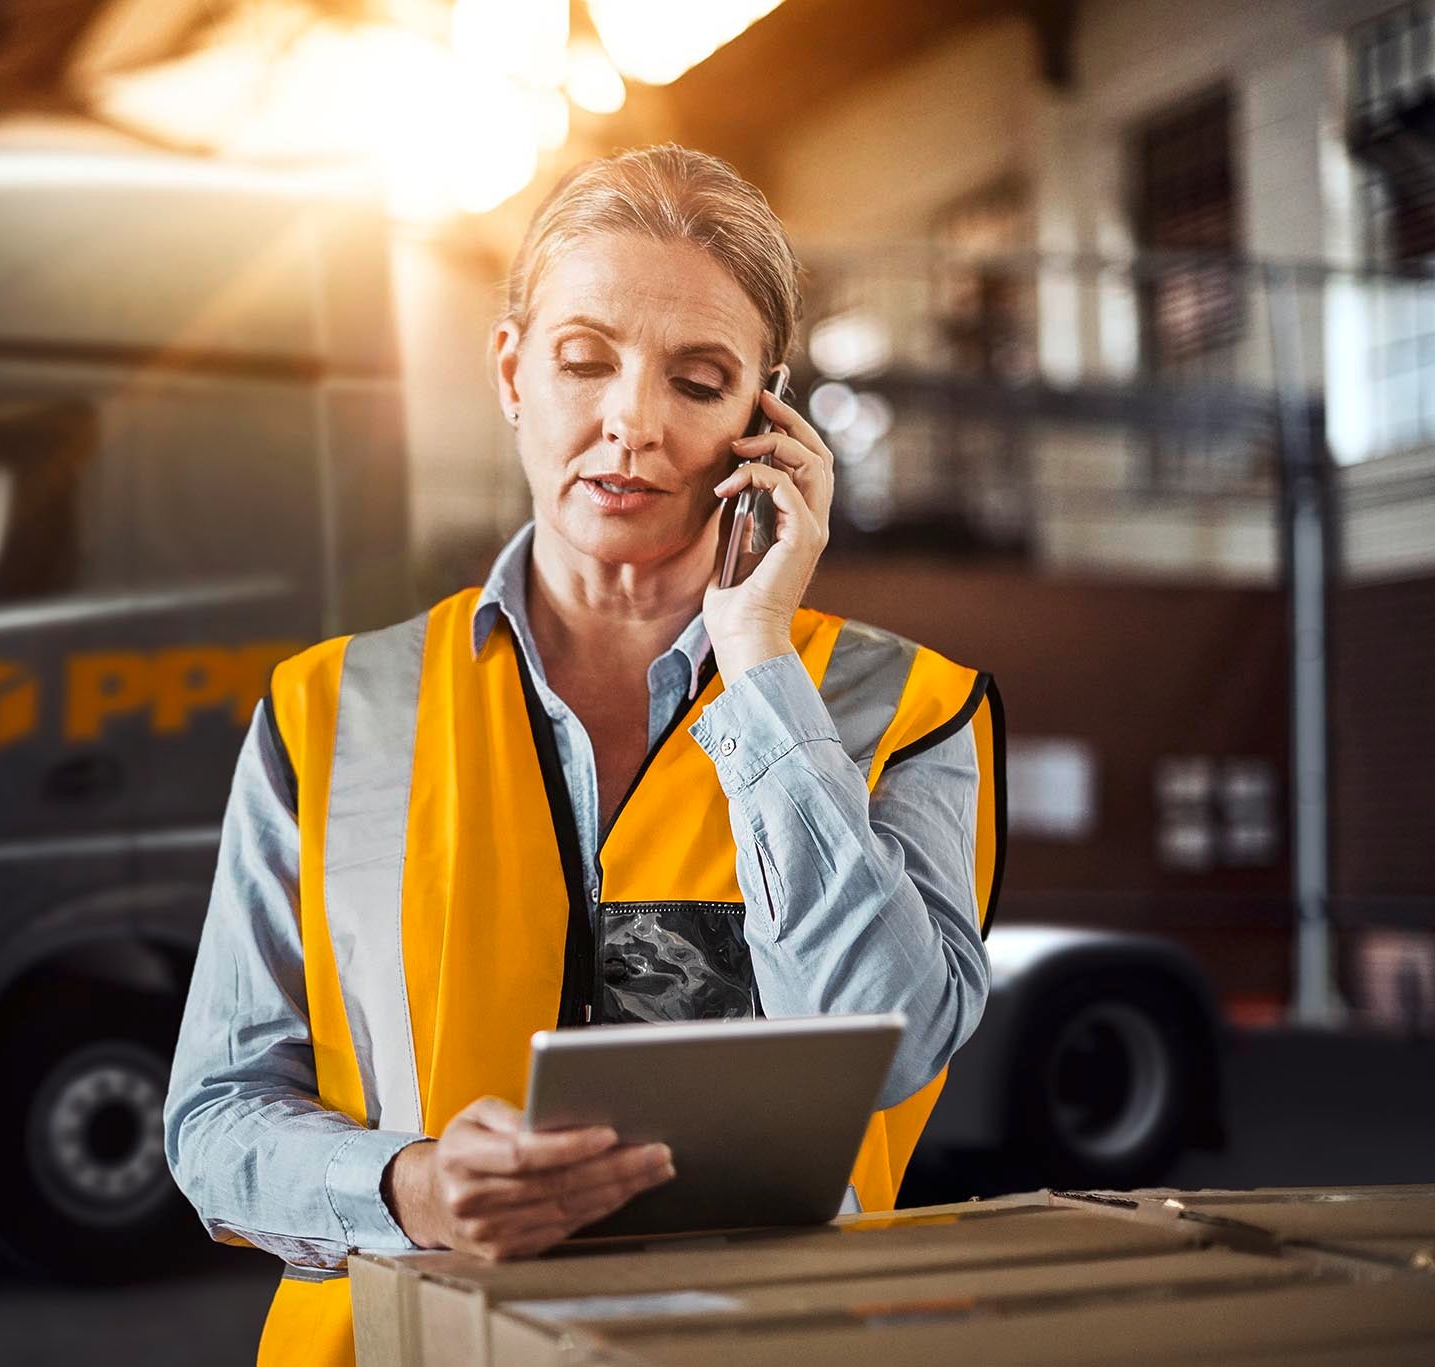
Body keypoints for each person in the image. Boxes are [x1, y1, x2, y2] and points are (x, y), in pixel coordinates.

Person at [163, 144, 1006, 1367]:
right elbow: (214, 1116)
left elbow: (887, 1037)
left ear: (764, 417)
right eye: (582, 360)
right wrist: (407, 1184)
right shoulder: (327, 710)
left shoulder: (905, 707)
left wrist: (758, 659)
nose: (631, 421)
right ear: (511, 370)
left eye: (699, 380)